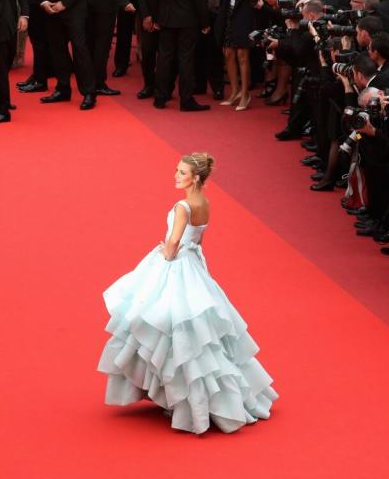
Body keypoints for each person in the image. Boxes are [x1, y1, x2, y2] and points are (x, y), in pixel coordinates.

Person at [98, 153, 278, 434]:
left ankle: (176, 394)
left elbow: (174, 241)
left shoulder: (182, 206)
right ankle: (193, 395)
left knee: (160, 323)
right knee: (197, 331)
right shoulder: (203, 202)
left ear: (195, 177)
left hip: (176, 265)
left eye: (181, 173)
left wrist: (165, 254)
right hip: (193, 265)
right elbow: (199, 238)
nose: (176, 176)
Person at [151, 0, 210, 111]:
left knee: (164, 58)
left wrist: (154, 17)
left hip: (165, 19)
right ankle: (186, 100)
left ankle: (160, 98)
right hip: (187, 20)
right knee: (186, 59)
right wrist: (205, 22)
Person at [215, 0, 263, 110]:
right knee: (228, 53)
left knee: (243, 56)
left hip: (245, 15)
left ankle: (245, 93)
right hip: (228, 13)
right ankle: (234, 91)